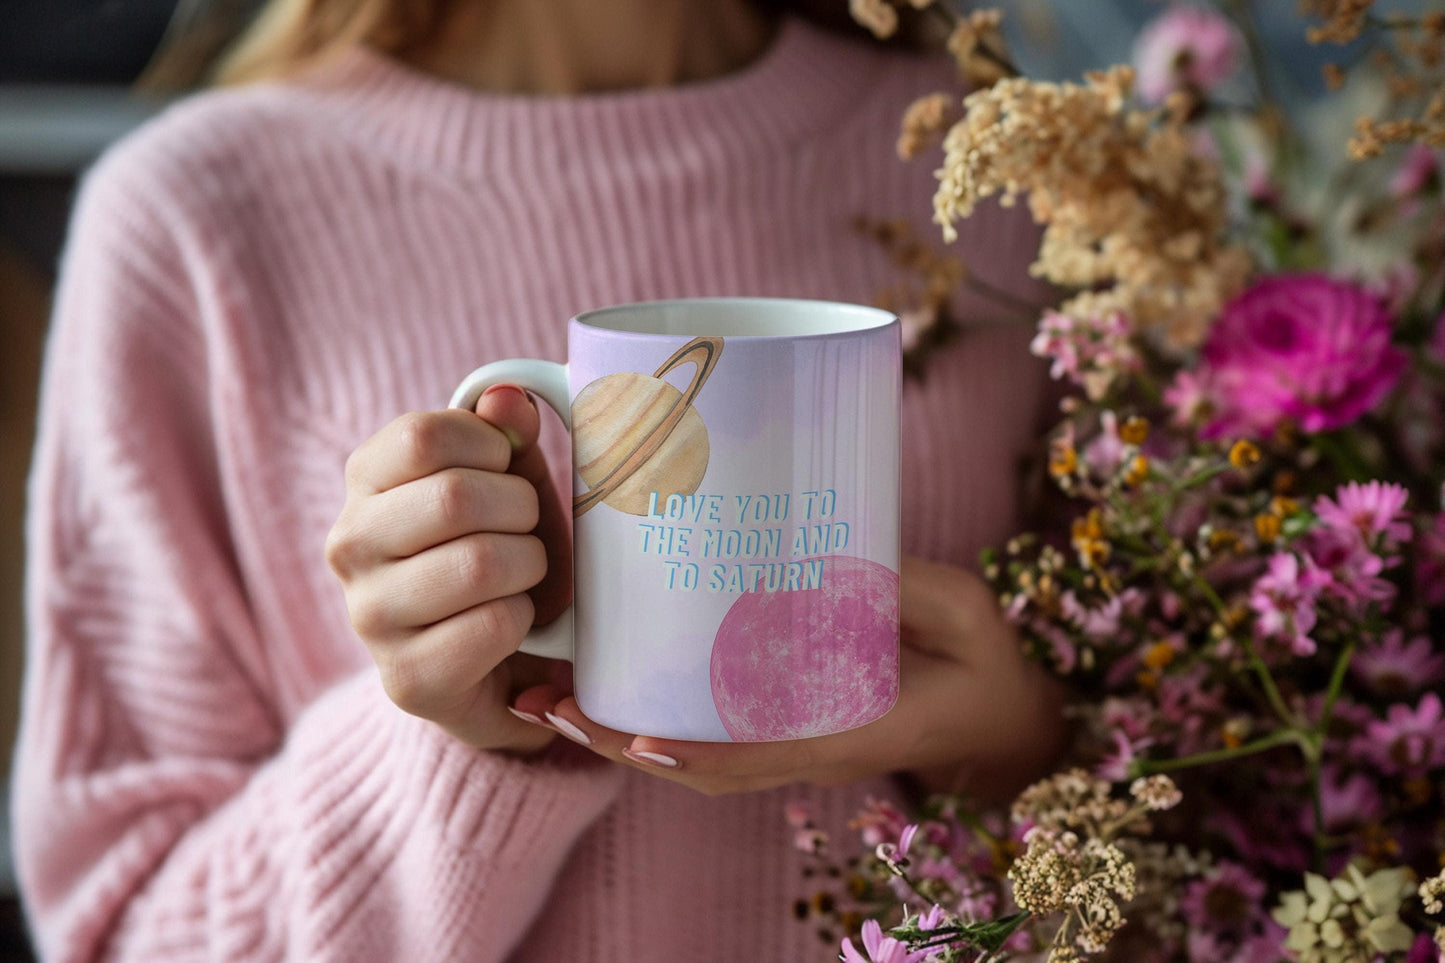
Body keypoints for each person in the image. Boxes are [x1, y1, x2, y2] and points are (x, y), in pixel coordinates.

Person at [13, 0, 1066, 958]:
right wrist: (457, 737)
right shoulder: (196, 219)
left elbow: (1215, 852)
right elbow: (120, 930)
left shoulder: (1000, 161)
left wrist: (1008, 751)